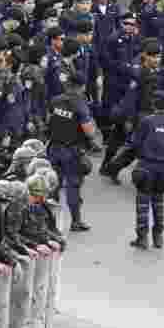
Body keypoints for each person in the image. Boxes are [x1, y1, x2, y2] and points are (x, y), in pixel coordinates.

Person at [47, 71, 98, 232]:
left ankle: (49, 222)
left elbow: (48, 121)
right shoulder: (80, 104)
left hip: (54, 149)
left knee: (52, 186)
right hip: (72, 151)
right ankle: (76, 221)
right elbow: (89, 131)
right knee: (73, 186)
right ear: (82, 87)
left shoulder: (55, 100)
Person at [129, 90, 164, 249]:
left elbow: (135, 142)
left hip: (146, 166)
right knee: (159, 202)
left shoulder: (146, 121)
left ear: (153, 104)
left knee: (142, 202)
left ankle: (142, 238)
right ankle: (158, 237)